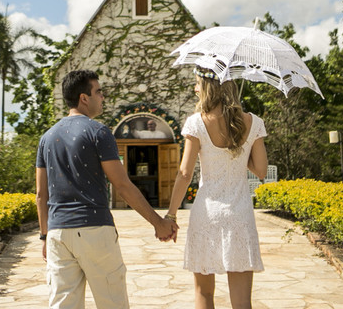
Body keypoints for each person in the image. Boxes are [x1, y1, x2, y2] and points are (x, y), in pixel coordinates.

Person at [36, 69, 178, 309]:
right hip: (94, 229)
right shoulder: (98, 132)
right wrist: (158, 223)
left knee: (62, 304)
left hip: (58, 233)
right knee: (112, 302)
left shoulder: (47, 138)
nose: (103, 97)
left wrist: (44, 236)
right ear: (84, 98)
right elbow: (122, 185)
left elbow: (41, 195)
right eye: (99, 92)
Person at [166, 69, 268, 309]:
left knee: (203, 294)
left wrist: (171, 213)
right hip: (240, 214)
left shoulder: (196, 122)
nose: (194, 89)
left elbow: (184, 173)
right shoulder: (253, 122)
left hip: (207, 214)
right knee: (242, 302)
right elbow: (261, 171)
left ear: (209, 87)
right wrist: (241, 147)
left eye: (197, 84)